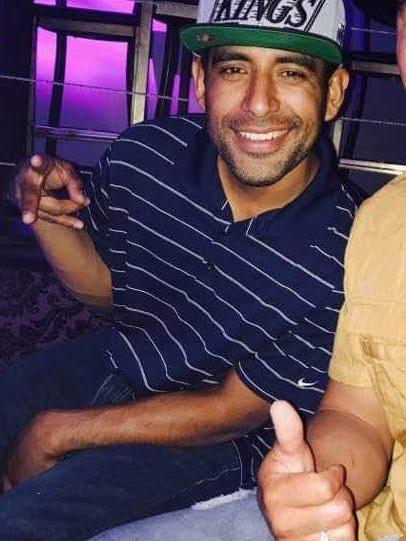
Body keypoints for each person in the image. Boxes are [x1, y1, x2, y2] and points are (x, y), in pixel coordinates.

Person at [2, 0, 358, 539]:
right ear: (200, 81)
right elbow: (107, 294)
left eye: (290, 73)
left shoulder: (346, 250)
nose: (258, 104)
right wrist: (47, 216)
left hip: (220, 439)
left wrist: (57, 433)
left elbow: (231, 410)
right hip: (118, 357)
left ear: (332, 92)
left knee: (22, 522)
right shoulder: (142, 158)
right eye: (234, 69)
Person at [258, 1, 406, 540]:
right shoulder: (383, 220)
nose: (259, 104)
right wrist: (311, 481)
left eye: (290, 73)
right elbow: (361, 415)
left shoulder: (330, 222)